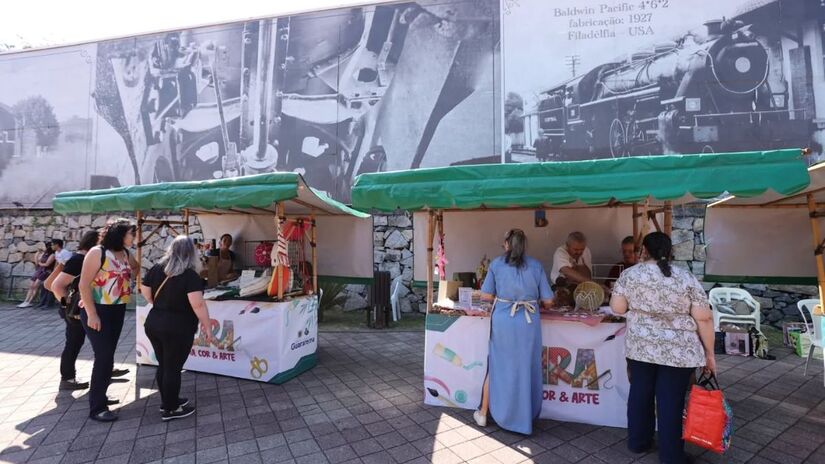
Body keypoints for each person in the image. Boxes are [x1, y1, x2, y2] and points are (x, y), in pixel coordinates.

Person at [609, 232, 716, 464]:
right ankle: (671, 455)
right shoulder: (685, 277)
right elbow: (704, 318)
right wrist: (709, 353)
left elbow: (617, 308)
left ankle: (638, 442)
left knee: (640, 394)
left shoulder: (629, 275)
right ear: (669, 253)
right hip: (679, 352)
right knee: (670, 401)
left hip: (640, 348)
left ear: (643, 251)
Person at [474, 229, 554, 435]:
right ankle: (524, 417)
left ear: (507, 244)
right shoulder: (536, 265)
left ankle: (484, 413)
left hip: (503, 321)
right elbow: (549, 300)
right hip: (528, 323)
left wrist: (504, 298)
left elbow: (485, 296)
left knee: (498, 366)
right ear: (524, 245)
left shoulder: (496, 265)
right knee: (527, 367)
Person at [141, 235, 213, 421]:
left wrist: (160, 304)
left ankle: (168, 401)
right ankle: (171, 409)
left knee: (164, 364)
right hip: (178, 327)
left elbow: (145, 290)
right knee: (173, 367)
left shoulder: (157, 269)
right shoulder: (190, 275)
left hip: (155, 322)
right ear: (191, 253)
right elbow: (198, 305)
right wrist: (207, 326)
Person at [79, 219, 137, 422]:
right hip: (98, 310)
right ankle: (97, 408)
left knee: (108, 355)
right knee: (104, 357)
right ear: (120, 234)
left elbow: (136, 269)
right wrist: (92, 312)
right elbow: (83, 284)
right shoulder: (98, 252)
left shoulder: (127, 254)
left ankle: (100, 397)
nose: (134, 237)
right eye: (131, 233)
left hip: (117, 309)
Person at [50, 231, 100, 391]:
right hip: (74, 311)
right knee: (73, 343)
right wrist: (67, 305)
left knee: (95, 341)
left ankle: (106, 369)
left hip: (79, 309)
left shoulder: (81, 259)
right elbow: (56, 286)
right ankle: (67, 378)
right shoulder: (78, 261)